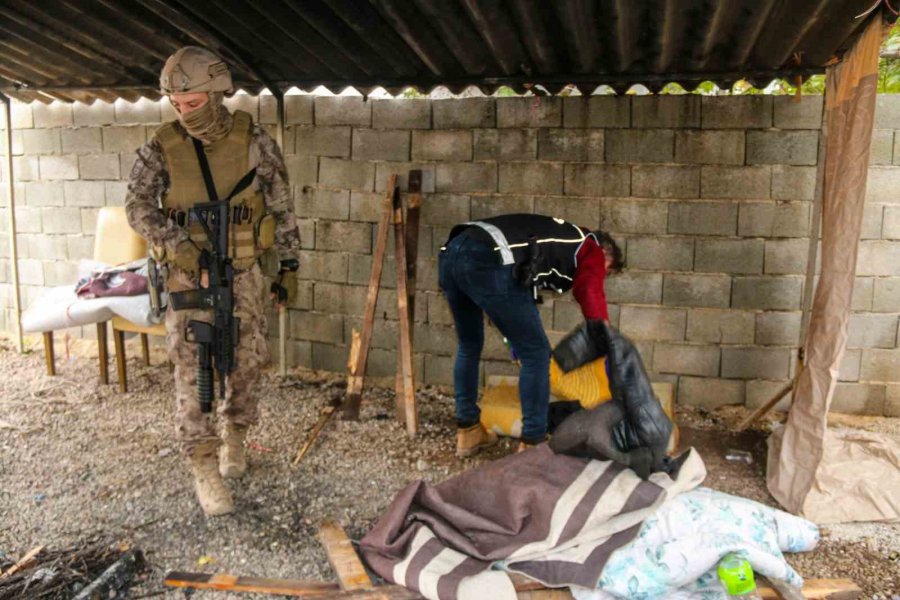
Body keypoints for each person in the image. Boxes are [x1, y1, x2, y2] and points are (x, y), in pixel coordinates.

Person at [125, 47, 301, 516]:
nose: (184, 113)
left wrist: (288, 267)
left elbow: (281, 206)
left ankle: (236, 439)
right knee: (193, 367)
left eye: (193, 103)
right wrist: (181, 246)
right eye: (177, 104)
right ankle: (203, 464)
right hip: (187, 276)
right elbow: (137, 207)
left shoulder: (255, 141)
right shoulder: (161, 147)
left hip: (242, 272)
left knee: (245, 363)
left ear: (219, 92)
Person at [438, 214, 623, 457]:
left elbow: (506, 302)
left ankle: (469, 431)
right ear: (605, 252)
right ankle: (533, 445)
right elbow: (589, 290)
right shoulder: (591, 247)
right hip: (490, 256)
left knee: (469, 345)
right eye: (607, 272)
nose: (602, 276)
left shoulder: (546, 243)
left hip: (454, 250)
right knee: (536, 355)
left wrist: (512, 340)